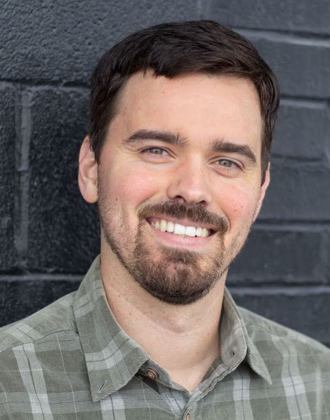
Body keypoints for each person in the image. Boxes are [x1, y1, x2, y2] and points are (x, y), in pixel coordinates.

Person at [0, 20, 329, 420]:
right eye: (157, 150)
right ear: (91, 169)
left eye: (226, 162)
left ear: (259, 193)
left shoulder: (317, 384)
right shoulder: (9, 385)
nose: (192, 189)